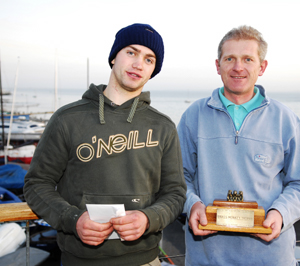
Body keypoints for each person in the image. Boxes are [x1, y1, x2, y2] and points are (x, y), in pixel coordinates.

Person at [23, 23, 186, 266]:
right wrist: (73, 219)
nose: (138, 64)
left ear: (153, 70)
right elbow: (37, 184)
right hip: (80, 259)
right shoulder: (67, 119)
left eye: (149, 59)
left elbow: (175, 193)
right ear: (113, 57)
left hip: (145, 259)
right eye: (131, 52)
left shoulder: (163, 127)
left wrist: (148, 218)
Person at [177, 25, 300, 266]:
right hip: (206, 257)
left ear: (262, 67)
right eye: (230, 59)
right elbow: (178, 176)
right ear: (218, 65)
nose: (238, 67)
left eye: (248, 59)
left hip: (271, 257)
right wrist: (191, 204)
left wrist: (280, 213)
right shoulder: (193, 116)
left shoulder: (286, 120)